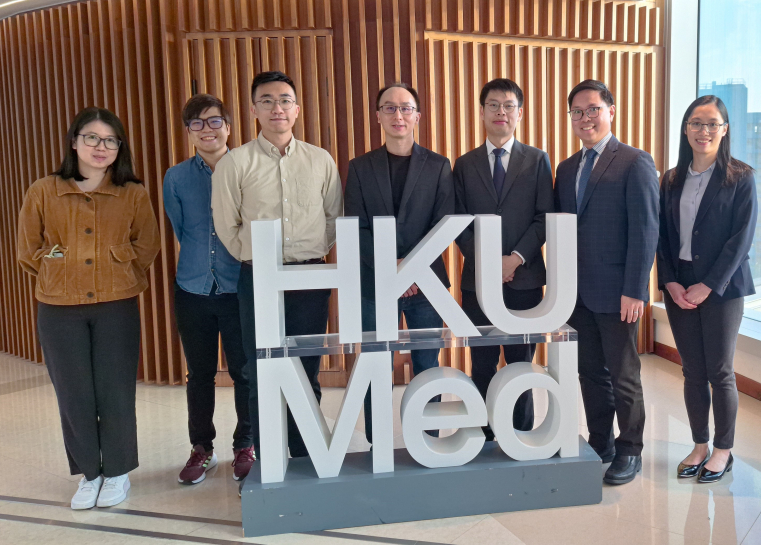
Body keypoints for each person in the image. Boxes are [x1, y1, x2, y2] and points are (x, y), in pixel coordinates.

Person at [17, 107, 160, 509]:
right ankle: (89, 474)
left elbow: (146, 245)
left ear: (119, 147)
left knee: (115, 391)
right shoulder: (44, 190)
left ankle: (117, 472)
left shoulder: (132, 192)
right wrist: (59, 266)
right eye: (92, 138)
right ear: (74, 142)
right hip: (59, 307)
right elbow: (29, 250)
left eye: (110, 140)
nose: (101, 147)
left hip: (117, 304)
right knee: (73, 393)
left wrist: (117, 269)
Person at [212, 71, 342, 470]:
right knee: (261, 370)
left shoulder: (320, 160)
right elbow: (226, 225)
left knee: (306, 369)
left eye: (284, 100)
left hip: (310, 278)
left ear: (297, 109)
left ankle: (305, 456)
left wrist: (311, 253)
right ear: (254, 110)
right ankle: (268, 463)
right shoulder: (235, 162)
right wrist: (255, 258)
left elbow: (333, 218)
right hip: (259, 278)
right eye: (266, 100)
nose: (277, 108)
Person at [553, 79, 659, 485]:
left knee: (623, 374)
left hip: (618, 294)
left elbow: (646, 230)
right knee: (590, 373)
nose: (585, 118)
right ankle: (601, 442)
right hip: (577, 294)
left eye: (593, 109)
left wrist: (635, 289)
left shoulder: (634, 161)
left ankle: (630, 449)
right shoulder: (566, 169)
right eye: (577, 112)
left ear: (611, 111)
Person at [344, 82, 454, 445]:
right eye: (389, 108)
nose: (398, 115)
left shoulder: (438, 165)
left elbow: (444, 223)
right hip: (376, 283)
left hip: (426, 285)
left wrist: (411, 268)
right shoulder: (360, 167)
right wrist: (390, 268)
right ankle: (377, 445)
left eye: (406, 107)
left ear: (417, 116)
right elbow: (355, 226)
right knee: (376, 363)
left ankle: (429, 441)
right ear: (378, 116)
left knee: (427, 365)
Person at [657, 95, 757, 483]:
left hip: (723, 288)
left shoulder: (740, 177)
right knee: (693, 371)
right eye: (697, 123)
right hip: (678, 285)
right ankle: (699, 445)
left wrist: (709, 285)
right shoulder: (671, 179)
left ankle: (723, 450)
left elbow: (741, 239)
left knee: (720, 371)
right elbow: (661, 235)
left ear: (724, 130)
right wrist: (669, 280)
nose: (704, 131)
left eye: (712, 123)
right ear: (686, 129)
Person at [453, 78, 554, 441]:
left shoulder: (537, 160)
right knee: (481, 360)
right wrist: (487, 263)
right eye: (493, 105)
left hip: (524, 279)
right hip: (477, 281)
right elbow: (458, 220)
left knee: (520, 363)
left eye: (509, 105)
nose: (501, 112)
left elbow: (544, 217)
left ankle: (520, 434)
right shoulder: (464, 164)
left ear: (520, 113)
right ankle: (483, 434)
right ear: (482, 112)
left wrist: (514, 259)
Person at [163, 94, 254, 486]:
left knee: (244, 372)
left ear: (228, 127)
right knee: (198, 375)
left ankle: (245, 445)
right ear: (188, 132)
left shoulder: (248, 170)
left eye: (214, 121)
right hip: (192, 288)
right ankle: (202, 448)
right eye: (197, 123)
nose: (207, 130)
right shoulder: (176, 178)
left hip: (238, 288)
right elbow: (181, 229)